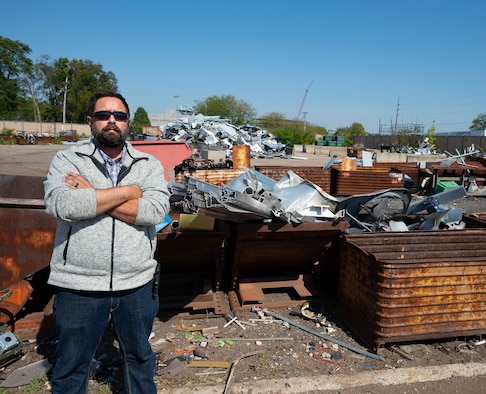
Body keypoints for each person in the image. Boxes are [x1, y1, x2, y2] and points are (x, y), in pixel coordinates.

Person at [44, 91, 170, 394]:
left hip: (136, 282)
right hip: (79, 284)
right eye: (103, 115)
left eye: (119, 115)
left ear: (128, 123)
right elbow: (63, 206)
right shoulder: (67, 159)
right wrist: (130, 192)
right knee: (72, 364)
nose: (111, 121)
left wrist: (92, 193)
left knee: (140, 359)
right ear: (91, 121)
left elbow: (155, 211)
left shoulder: (148, 164)